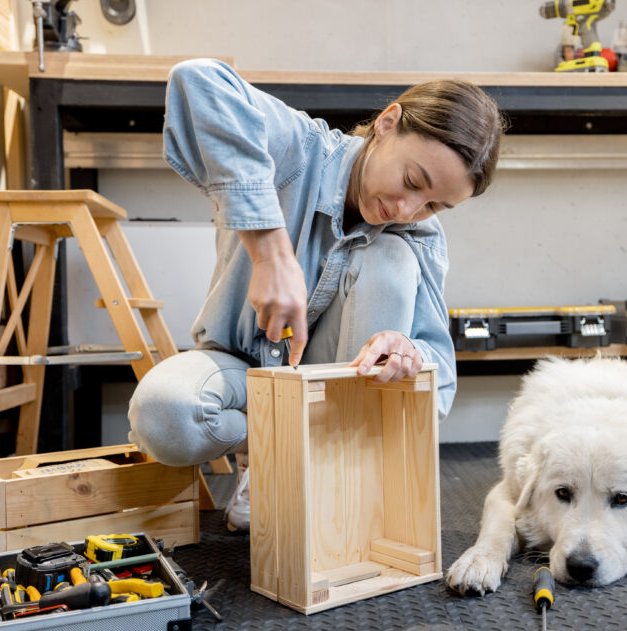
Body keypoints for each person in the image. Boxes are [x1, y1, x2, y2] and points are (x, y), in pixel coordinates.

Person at [127, 59, 505, 531]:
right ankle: (274, 458)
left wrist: (410, 354)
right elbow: (197, 80)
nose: (407, 209)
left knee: (392, 257)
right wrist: (269, 251)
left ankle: (323, 472)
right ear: (387, 124)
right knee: (164, 415)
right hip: (241, 371)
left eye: (434, 205)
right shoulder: (300, 150)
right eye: (412, 181)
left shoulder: (419, 234)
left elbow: (440, 385)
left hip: (332, 402)